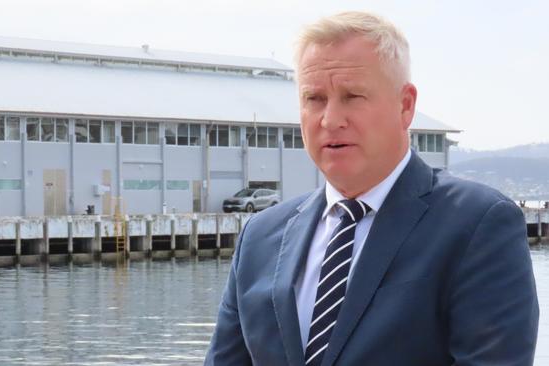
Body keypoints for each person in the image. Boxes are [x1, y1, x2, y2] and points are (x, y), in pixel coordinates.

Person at [205, 11, 538, 366]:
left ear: (405, 105)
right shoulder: (260, 237)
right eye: (314, 98)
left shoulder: (477, 226)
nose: (331, 119)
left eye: (353, 96)